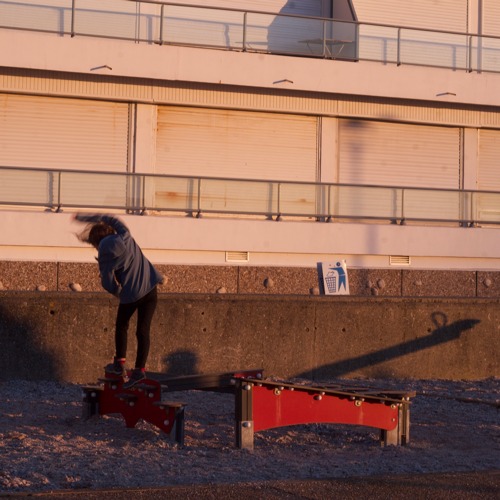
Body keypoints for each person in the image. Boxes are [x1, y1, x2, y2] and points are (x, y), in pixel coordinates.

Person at [73, 213, 163, 388]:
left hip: (131, 294)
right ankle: (139, 371)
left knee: (122, 325)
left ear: (96, 242)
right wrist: (86, 217)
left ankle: (119, 364)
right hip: (151, 288)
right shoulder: (125, 235)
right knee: (143, 331)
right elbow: (111, 218)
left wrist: (119, 292)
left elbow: (107, 283)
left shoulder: (105, 255)